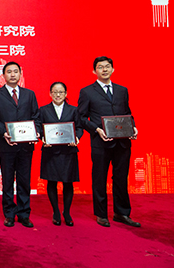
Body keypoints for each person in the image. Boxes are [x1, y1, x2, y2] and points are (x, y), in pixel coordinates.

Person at [78, 56, 140, 228]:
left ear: (113, 69)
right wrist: (96, 130)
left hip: (123, 142)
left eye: (107, 66)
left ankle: (122, 213)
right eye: (100, 67)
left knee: (121, 177)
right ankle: (101, 214)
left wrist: (133, 127)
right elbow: (81, 118)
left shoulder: (122, 90)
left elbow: (127, 113)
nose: (104, 70)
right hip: (101, 142)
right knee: (99, 178)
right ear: (94, 71)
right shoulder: (87, 92)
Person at [0, 61, 40, 228]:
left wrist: (36, 132)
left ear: (20, 74)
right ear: (3, 75)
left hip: (26, 145)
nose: (12, 74)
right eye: (9, 71)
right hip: (6, 144)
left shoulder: (29, 94)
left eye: (15, 71)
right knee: (8, 181)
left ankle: (24, 214)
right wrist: (4, 132)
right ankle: (9, 214)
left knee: (25, 180)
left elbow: (36, 117)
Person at [39, 82, 83, 226]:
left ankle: (67, 212)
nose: (58, 95)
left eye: (61, 92)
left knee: (68, 182)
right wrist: (42, 138)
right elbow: (38, 127)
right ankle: (56, 212)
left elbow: (79, 127)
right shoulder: (43, 110)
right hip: (50, 151)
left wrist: (76, 138)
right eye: (55, 92)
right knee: (51, 181)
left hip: (68, 151)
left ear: (66, 94)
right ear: (50, 94)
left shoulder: (73, 110)